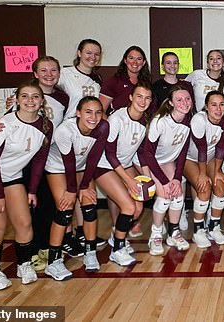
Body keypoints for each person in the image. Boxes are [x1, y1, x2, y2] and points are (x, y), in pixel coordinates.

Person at [0, 81, 52, 290]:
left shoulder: (45, 126)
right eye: (25, 96)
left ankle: (23, 265)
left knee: (24, 223)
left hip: (12, 177)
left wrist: (32, 190)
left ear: (41, 101)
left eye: (35, 96)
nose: (30, 100)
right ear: (17, 100)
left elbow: (39, 161)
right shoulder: (4, 124)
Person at [43, 96, 108, 280]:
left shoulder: (103, 127)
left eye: (98, 112)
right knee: (64, 210)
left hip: (81, 167)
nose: (93, 117)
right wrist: (73, 190)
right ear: (78, 113)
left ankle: (90, 252)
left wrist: (85, 185)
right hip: (57, 167)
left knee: (89, 206)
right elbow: (68, 163)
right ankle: (53, 262)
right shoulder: (65, 131)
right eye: (88, 112)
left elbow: (93, 158)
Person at [94, 83, 153, 265]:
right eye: (139, 97)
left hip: (125, 163)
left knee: (138, 207)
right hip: (104, 165)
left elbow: (141, 153)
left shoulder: (144, 121)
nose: (143, 101)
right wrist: (128, 180)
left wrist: (147, 178)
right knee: (128, 206)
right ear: (131, 97)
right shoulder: (117, 119)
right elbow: (110, 153)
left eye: (147, 98)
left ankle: (115, 237)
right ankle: (117, 248)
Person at [56, 39, 105, 252]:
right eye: (88, 52)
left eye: (96, 54)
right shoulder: (65, 74)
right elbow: (42, 87)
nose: (92, 57)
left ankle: (82, 233)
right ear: (79, 52)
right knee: (68, 193)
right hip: (66, 137)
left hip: (86, 139)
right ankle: (65, 238)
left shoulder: (96, 81)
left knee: (84, 192)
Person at [140, 85, 193, 255]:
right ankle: (155, 234)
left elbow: (183, 153)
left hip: (167, 160)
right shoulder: (160, 121)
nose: (184, 102)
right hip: (147, 160)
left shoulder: (188, 121)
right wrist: (164, 181)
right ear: (170, 103)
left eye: (187, 98)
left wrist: (177, 178)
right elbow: (147, 154)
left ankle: (173, 233)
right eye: (179, 99)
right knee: (164, 195)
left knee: (177, 194)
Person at [184, 91, 224, 248]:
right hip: (189, 159)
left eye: (221, 105)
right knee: (204, 188)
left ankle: (214, 227)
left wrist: (217, 171)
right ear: (206, 107)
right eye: (213, 105)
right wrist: (203, 174)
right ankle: (198, 231)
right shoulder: (199, 120)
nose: (218, 109)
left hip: (211, 158)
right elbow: (201, 149)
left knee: (220, 186)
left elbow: (221, 146)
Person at [99, 46, 152, 114]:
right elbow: (100, 111)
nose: (135, 62)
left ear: (144, 62)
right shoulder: (113, 82)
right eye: (131, 58)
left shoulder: (147, 84)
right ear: (125, 60)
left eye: (139, 59)